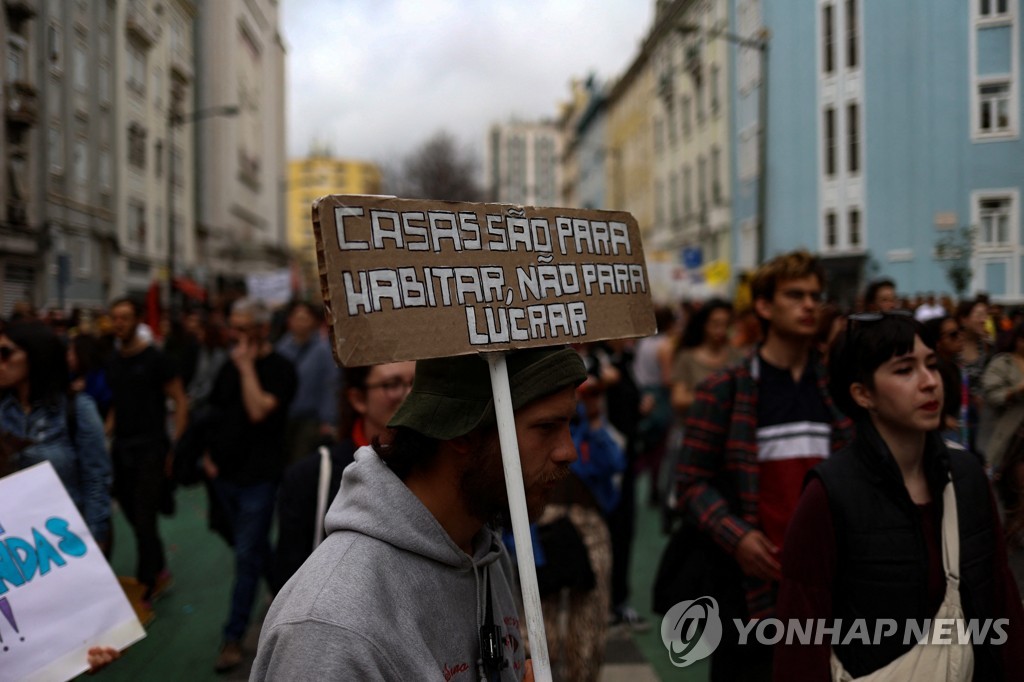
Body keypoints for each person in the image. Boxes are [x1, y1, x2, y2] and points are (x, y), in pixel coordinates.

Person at [252, 346, 586, 681]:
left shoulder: (484, 551)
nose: (568, 451)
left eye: (569, 424)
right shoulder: (332, 628)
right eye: (546, 427)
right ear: (463, 433)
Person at [775, 312, 1024, 680]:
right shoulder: (829, 493)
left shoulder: (967, 476)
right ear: (862, 393)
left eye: (932, 365)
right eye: (904, 370)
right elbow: (801, 639)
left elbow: (1000, 602)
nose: (929, 383)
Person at [674, 250, 854, 680]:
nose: (810, 305)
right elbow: (690, 483)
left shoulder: (839, 391)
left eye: (816, 295)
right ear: (764, 306)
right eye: (796, 295)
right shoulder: (727, 389)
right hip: (751, 590)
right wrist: (738, 538)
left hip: (830, 585)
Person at [203, 297, 298, 673]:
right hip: (224, 475)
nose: (235, 336)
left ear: (262, 329)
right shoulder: (227, 367)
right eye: (233, 328)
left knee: (246, 557)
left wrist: (246, 368)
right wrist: (209, 456)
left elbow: (258, 410)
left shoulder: (279, 369)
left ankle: (233, 637)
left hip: (259, 478)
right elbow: (217, 412)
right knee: (253, 548)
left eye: (243, 329)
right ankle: (289, 592)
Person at [272, 360, 415, 592]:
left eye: (416, 384)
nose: (409, 395)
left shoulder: (437, 469)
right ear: (358, 399)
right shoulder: (312, 477)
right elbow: (289, 577)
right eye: (392, 384)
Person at [106, 298, 188, 609]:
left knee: (144, 517)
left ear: (137, 320)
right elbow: (117, 402)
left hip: (151, 448)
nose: (119, 324)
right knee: (128, 511)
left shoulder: (157, 359)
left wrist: (175, 445)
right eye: (115, 318)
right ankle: (159, 566)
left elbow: (180, 400)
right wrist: (105, 432)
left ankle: (148, 582)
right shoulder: (112, 361)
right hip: (122, 448)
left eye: (125, 318)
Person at [0, 321, 111, 545]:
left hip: (65, 541)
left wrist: (94, 538)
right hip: (15, 543)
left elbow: (96, 479)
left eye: (5, 353)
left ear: (36, 355)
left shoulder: (77, 409)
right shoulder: (3, 411)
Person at [275, 300, 341, 463]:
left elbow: (330, 384)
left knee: (300, 459)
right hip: (284, 417)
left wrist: (328, 418)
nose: (300, 322)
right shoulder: (281, 348)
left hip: (310, 419)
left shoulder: (323, 350)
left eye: (305, 317)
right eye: (297, 317)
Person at [980, 322, 1024, 472]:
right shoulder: (1002, 363)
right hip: (1008, 434)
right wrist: (1016, 390)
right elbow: (992, 396)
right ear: (1018, 340)